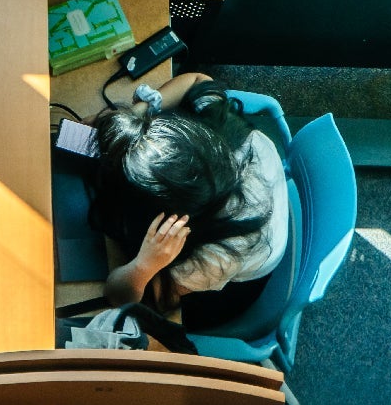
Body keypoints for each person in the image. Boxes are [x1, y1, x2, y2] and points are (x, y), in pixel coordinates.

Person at [91, 72, 289, 330]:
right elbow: (198, 81)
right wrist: (136, 117)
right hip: (257, 217)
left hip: (237, 284)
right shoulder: (225, 131)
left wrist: (144, 265)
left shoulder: (215, 257)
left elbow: (123, 298)